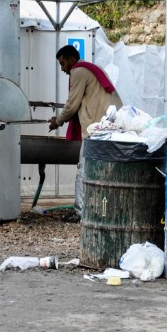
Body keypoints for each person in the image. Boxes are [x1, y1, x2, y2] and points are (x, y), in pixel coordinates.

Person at [48, 45, 123, 222]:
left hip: (96, 128)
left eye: (63, 63)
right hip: (110, 124)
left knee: (84, 169)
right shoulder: (93, 69)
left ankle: (81, 212)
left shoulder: (78, 71)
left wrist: (57, 121)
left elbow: (72, 104)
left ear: (72, 60)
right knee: (105, 171)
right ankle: (104, 211)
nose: (63, 69)